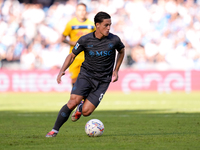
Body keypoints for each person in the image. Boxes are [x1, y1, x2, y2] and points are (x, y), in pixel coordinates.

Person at [46, 11, 125, 137]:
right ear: (97, 25)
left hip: (103, 80)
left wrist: (116, 70)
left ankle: (82, 107)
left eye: (110, 25)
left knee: (87, 112)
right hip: (86, 76)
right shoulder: (85, 40)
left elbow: (122, 51)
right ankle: (54, 130)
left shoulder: (114, 39)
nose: (109, 28)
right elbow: (72, 55)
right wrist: (62, 71)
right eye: (106, 25)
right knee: (72, 102)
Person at [62, 3, 95, 121]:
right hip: (75, 57)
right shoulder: (71, 24)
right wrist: (76, 43)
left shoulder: (91, 24)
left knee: (89, 81)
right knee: (75, 81)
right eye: (79, 10)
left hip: (88, 57)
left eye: (83, 10)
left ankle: (83, 103)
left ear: (86, 11)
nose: (81, 12)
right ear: (76, 11)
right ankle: (79, 102)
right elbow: (62, 38)